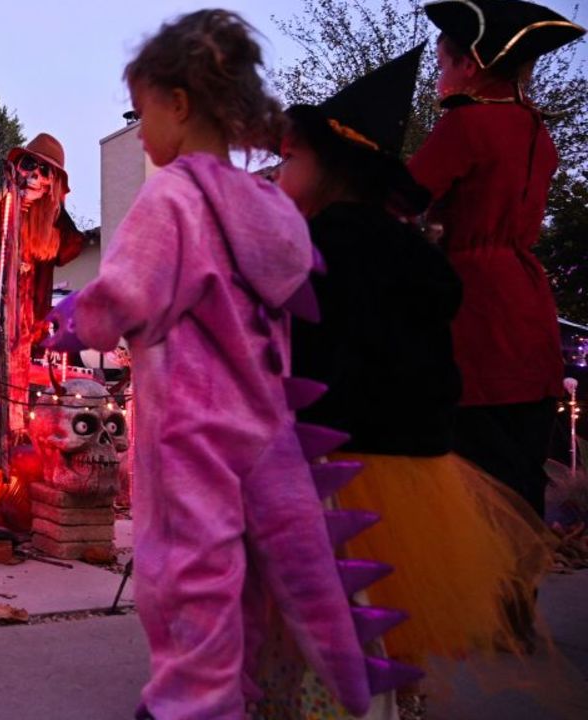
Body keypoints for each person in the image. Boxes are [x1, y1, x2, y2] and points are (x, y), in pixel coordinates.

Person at [44, 10, 397, 719]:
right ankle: (243, 686)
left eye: (143, 114)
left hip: (190, 433)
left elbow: (126, 295)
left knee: (185, 573)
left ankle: (196, 702)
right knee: (256, 575)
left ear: (180, 103)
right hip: (266, 428)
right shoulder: (267, 203)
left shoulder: (172, 195)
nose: (140, 132)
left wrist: (67, 319)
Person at [265, 45, 552, 718]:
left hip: (337, 463)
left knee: (329, 604)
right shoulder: (421, 259)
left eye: (288, 159)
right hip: (418, 466)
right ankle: (397, 701)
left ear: (328, 169)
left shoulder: (318, 248)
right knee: (390, 612)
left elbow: (310, 358)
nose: (278, 173)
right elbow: (430, 363)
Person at [409, 0, 586, 519]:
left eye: (443, 64)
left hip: (475, 311)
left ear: (471, 63)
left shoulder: (466, 126)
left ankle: (482, 597)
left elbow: (400, 198)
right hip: (527, 308)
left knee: (476, 487)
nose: (441, 77)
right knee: (519, 481)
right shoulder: (535, 128)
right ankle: (516, 599)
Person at [0, 134, 84, 436]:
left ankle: (14, 430)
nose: (35, 176)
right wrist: (9, 197)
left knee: (18, 365)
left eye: (46, 172)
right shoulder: (1, 211)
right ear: (17, 166)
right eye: (30, 165)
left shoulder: (51, 226)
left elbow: (71, 248)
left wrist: (56, 201)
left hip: (27, 311)